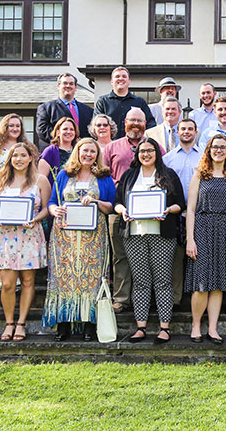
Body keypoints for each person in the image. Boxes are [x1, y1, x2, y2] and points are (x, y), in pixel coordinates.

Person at [114, 137, 185, 344]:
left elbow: (180, 203)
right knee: (141, 281)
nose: (145, 154)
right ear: (137, 154)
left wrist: (167, 210)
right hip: (134, 235)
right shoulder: (129, 175)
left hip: (162, 234)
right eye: (142, 151)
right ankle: (141, 327)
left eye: (150, 150)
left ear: (157, 153)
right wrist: (123, 211)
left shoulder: (168, 175)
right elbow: (117, 202)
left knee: (163, 280)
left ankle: (165, 328)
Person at [44, 138, 116, 342]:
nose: (88, 155)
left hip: (93, 236)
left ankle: (89, 324)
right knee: (65, 278)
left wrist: (96, 201)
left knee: (91, 278)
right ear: (78, 152)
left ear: (97, 155)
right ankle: (63, 324)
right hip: (64, 235)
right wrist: (54, 209)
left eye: (93, 152)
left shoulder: (103, 176)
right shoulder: (64, 175)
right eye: (85, 151)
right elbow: (51, 202)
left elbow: (111, 205)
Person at [0, 142, 51, 342]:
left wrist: (36, 218)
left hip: (30, 235)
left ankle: (21, 323)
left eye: (23, 155)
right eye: (15, 156)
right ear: (9, 159)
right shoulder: (0, 180)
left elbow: (46, 207)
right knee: (7, 283)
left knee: (27, 281)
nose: (19, 159)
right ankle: (9, 323)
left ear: (30, 158)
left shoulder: (40, 180)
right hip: (5, 236)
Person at [185, 135, 226, 344]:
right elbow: (190, 210)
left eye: (223, 147)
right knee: (201, 283)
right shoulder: (200, 175)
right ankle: (196, 325)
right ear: (209, 150)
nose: (219, 150)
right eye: (215, 147)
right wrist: (190, 240)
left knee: (218, 283)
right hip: (202, 229)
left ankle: (213, 328)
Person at [103, 106, 149, 313]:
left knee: (146, 255)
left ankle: (144, 297)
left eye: (140, 121)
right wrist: (119, 186)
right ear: (125, 123)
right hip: (118, 208)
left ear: (145, 124)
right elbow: (102, 175)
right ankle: (121, 298)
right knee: (120, 255)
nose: (136, 124)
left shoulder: (153, 146)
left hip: (147, 211)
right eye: (132, 120)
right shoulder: (112, 147)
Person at [162, 117, 203, 307]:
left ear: (196, 132)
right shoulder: (167, 159)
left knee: (198, 256)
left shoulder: (204, 157)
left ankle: (197, 294)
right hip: (176, 214)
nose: (186, 132)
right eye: (183, 129)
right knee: (177, 258)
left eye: (190, 129)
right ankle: (177, 299)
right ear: (177, 132)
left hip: (200, 213)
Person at [93, 67, 156, 139]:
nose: (120, 78)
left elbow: (151, 124)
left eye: (124, 76)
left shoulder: (140, 102)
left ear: (129, 81)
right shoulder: (103, 102)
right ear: (111, 81)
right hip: (110, 146)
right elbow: (96, 125)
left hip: (135, 146)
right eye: (117, 76)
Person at [36, 73, 93, 151]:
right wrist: (65, 140)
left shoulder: (88, 110)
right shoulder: (46, 108)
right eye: (65, 83)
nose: (68, 86)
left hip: (81, 152)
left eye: (71, 84)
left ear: (75, 87)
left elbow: (91, 131)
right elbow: (42, 130)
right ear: (58, 86)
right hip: (55, 152)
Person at [0, 113, 34, 178]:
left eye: (18, 126)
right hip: (1, 185)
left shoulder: (29, 147)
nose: (15, 129)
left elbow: (34, 170)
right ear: (4, 127)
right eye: (11, 126)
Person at [38, 117, 77, 186]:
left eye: (72, 129)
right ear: (58, 132)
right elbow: (41, 179)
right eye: (65, 129)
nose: (69, 132)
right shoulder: (49, 151)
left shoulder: (78, 151)